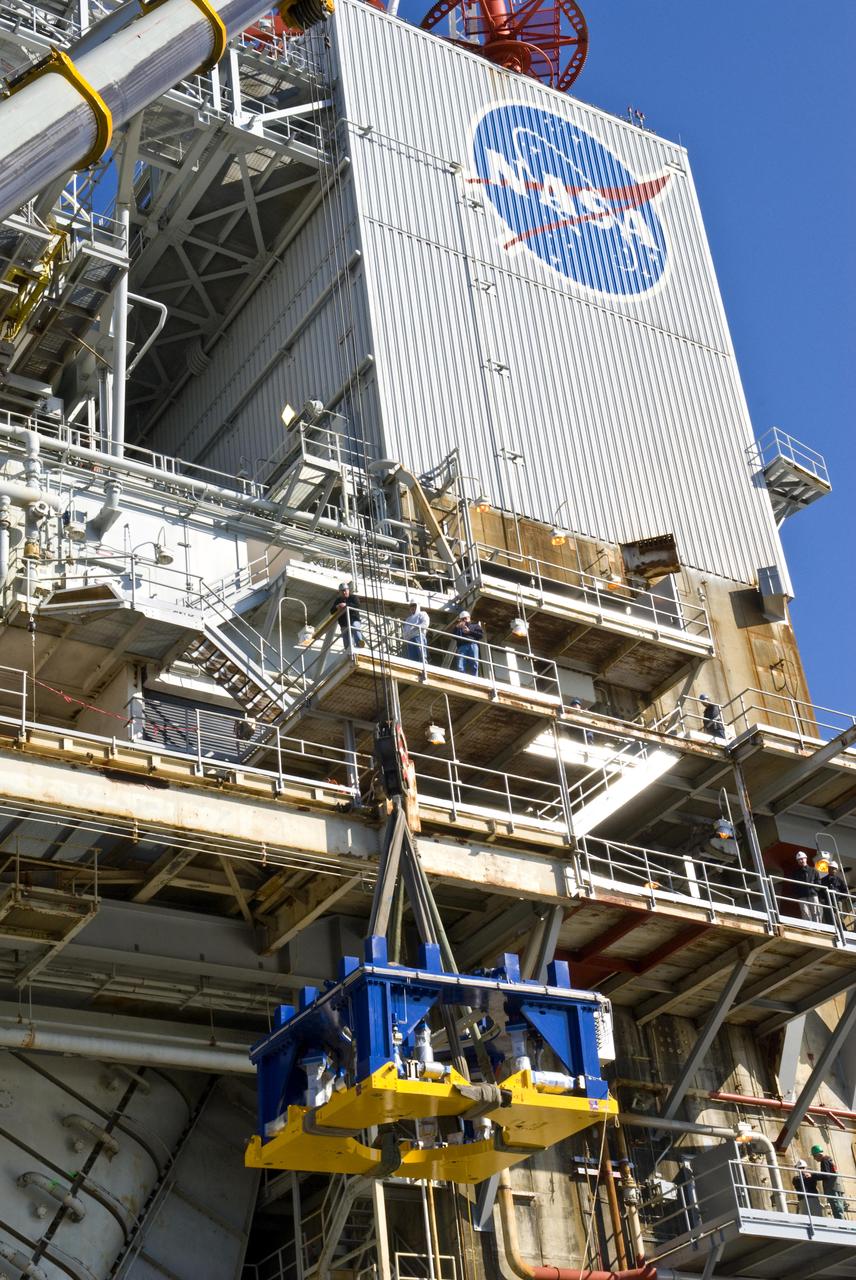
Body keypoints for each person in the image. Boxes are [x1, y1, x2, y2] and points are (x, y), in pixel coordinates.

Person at [812, 1144, 847, 1219]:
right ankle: (844, 1224)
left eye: (814, 1156)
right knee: (840, 1209)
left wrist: (813, 1175)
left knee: (837, 1209)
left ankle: (841, 1225)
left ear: (818, 1154)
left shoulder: (824, 1160)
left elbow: (826, 1175)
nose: (814, 1158)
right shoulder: (829, 1159)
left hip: (832, 1188)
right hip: (837, 1187)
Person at [789, 850, 822, 924]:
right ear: (797, 861)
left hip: (812, 894)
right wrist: (798, 893)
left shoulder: (813, 870)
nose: (801, 861)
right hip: (802, 895)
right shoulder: (796, 873)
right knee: (805, 912)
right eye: (799, 860)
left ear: (806, 859)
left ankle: (818, 927)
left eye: (802, 859)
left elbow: (818, 882)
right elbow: (794, 885)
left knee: (816, 912)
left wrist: (815, 890)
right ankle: (809, 927)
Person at [330, 583, 365, 651]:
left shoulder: (353, 597)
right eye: (342, 591)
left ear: (348, 590)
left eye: (345, 590)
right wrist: (337, 607)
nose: (344, 592)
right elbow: (331, 611)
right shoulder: (338, 601)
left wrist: (346, 605)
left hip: (354, 619)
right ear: (340, 592)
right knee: (346, 637)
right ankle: (348, 650)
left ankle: (360, 644)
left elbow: (357, 605)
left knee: (355, 627)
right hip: (344, 623)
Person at [451, 610, 483, 677]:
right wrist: (456, 627)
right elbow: (453, 636)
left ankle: (475, 678)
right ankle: (462, 677)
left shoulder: (475, 626)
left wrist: (469, 632)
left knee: (474, 663)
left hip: (473, 644)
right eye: (463, 619)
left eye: (466, 618)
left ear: (469, 617)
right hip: (462, 646)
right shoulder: (459, 628)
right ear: (460, 620)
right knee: (460, 664)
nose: (465, 620)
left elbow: (480, 635)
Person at [821, 861, 848, 929]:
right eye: (830, 868)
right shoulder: (823, 880)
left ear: (836, 870)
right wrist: (822, 899)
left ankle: (842, 929)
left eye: (833, 868)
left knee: (839, 916)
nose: (832, 870)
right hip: (827, 901)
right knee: (828, 915)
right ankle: (830, 928)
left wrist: (839, 897)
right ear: (828, 869)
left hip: (837, 901)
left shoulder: (839, 880)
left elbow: (845, 891)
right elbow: (820, 891)